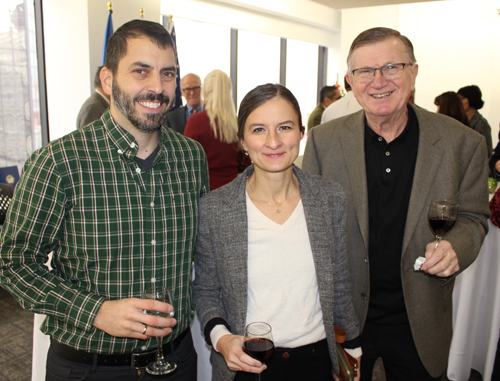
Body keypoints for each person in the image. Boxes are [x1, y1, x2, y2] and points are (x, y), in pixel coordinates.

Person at [0, 19, 209, 381]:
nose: (157, 88)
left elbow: (202, 257)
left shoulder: (192, 157)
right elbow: (14, 262)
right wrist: (95, 311)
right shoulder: (59, 162)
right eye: (141, 72)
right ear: (108, 80)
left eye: (168, 74)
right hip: (89, 367)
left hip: (177, 361)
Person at [303, 27, 490, 381]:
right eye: (365, 71)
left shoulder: (462, 143)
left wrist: (456, 248)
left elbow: (473, 217)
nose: (378, 81)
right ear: (349, 81)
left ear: (413, 72)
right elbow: (311, 224)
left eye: (391, 67)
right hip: (346, 314)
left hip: (421, 316)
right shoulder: (324, 142)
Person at [193, 83, 360, 381]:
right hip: (248, 363)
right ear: (242, 140)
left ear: (301, 132)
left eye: (284, 127)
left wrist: (354, 351)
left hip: (317, 360)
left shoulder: (329, 198)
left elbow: (340, 283)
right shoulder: (215, 209)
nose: (273, 142)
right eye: (258, 130)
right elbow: (206, 291)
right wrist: (221, 338)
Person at [184, 69, 250, 190]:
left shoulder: (195, 121)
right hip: (233, 191)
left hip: (204, 193)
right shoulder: (237, 122)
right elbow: (244, 163)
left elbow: (185, 164)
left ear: (206, 93)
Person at [458, 85, 493, 157]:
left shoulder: (481, 123)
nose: (459, 102)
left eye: (462, 99)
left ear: (471, 99)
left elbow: (487, 152)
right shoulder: (459, 121)